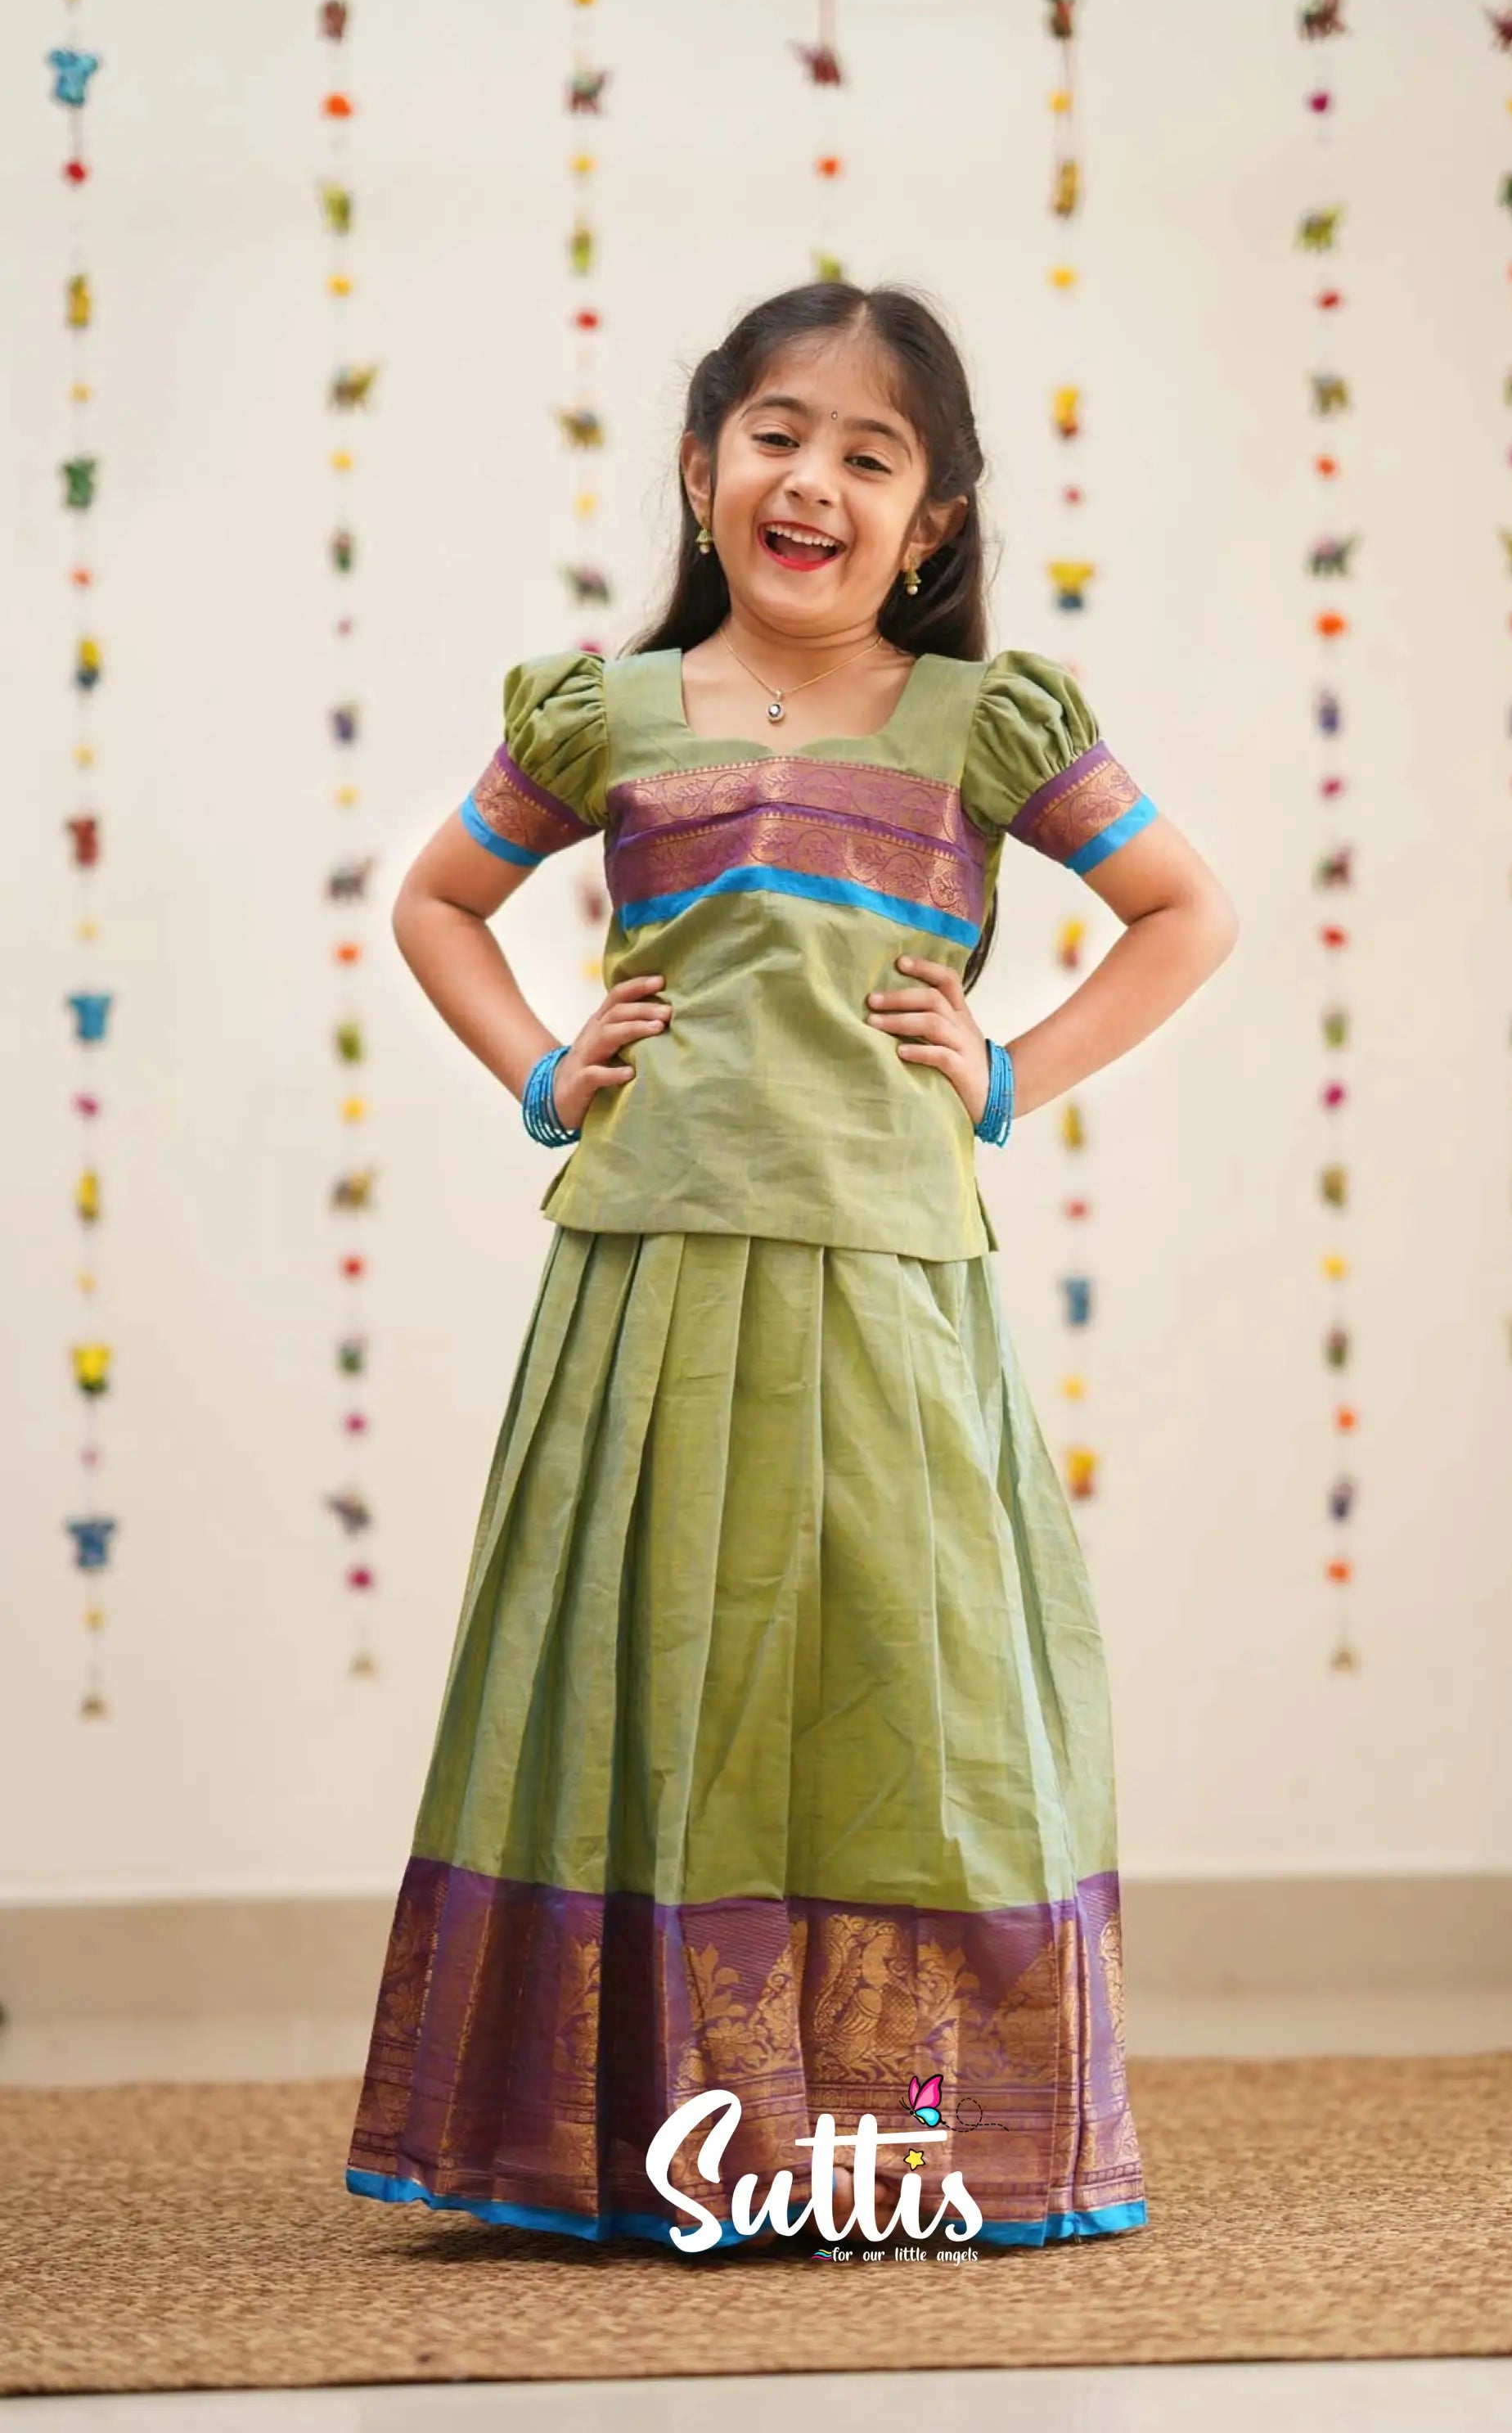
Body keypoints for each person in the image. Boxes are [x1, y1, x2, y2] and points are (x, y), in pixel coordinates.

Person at [344, 279, 1237, 2259]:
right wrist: (543, 1074)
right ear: (700, 470)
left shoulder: (981, 728)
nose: (810, 478)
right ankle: (646, 2134)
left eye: (867, 452)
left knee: (909, 1683)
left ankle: (903, 2140)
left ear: (930, 522)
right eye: (775, 434)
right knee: (648, 1682)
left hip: (885, 1278)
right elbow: (436, 903)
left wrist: (1004, 1075)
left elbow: (1185, 910)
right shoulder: (607, 713)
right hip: (649, 1285)